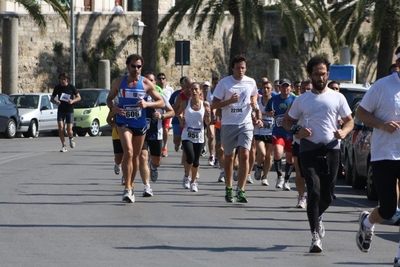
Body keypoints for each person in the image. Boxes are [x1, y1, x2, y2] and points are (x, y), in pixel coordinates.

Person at [282, 55, 354, 253]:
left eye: (323, 74)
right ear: (310, 75)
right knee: (313, 190)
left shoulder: (338, 97)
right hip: (309, 149)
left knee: (328, 195)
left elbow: (349, 121)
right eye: (316, 74)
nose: (320, 78)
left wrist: (344, 132)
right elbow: (286, 122)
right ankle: (315, 236)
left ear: (327, 74)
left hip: (331, 148)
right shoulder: (303, 99)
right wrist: (297, 129)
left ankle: (317, 216)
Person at [354, 47, 400, 266]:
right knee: (389, 209)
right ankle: (367, 221)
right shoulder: (382, 86)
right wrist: (382, 124)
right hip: (385, 155)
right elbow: (361, 114)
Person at [106, 54, 164, 203]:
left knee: (137, 156)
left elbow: (161, 102)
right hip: (123, 122)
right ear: (127, 66)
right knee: (129, 152)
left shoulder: (146, 83)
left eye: (139, 66)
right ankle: (127, 188)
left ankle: (131, 186)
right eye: (133, 66)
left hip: (140, 123)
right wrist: (114, 109)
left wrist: (147, 104)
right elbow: (109, 99)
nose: (136, 69)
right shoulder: (119, 82)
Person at [212, 54, 262, 203]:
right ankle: (228, 188)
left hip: (245, 123)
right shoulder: (224, 83)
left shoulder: (251, 82)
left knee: (245, 155)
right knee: (229, 157)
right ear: (233, 68)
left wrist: (253, 102)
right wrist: (229, 101)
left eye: (243, 68)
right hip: (228, 124)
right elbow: (214, 104)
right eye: (238, 67)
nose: (241, 70)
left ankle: (241, 190)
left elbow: (254, 95)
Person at [141, 72, 174, 185]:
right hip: (142, 131)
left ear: (155, 83)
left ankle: (154, 167)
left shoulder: (160, 96)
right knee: (143, 157)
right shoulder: (140, 94)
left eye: (152, 80)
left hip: (156, 132)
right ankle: (146, 186)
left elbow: (172, 112)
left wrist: (161, 116)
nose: (149, 82)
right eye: (147, 80)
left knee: (157, 161)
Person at [178, 82, 211, 192]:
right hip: (187, 134)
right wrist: (181, 120)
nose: (194, 91)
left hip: (199, 135)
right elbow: (178, 113)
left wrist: (207, 114)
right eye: (192, 89)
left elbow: (207, 122)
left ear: (200, 91)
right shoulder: (185, 103)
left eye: (196, 89)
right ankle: (187, 176)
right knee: (190, 157)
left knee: (196, 161)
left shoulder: (205, 104)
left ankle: (193, 182)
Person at [265, 78, 296, 191]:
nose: (285, 88)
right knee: (277, 152)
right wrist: (269, 113)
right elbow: (267, 111)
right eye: (283, 86)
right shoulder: (273, 99)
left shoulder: (295, 99)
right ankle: (279, 176)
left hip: (291, 134)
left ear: (290, 87)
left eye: (287, 86)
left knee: (290, 158)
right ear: (280, 88)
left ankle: (286, 180)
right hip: (278, 132)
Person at [293, 79, 313, 209]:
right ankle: (301, 196)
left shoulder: (319, 103)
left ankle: (313, 196)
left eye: (308, 89)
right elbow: (288, 122)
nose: (305, 91)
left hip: (315, 143)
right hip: (299, 142)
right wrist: (296, 132)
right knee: (300, 173)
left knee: (312, 174)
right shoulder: (296, 103)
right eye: (303, 89)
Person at [50, 72, 81, 153]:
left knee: (69, 129)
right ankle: (64, 145)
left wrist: (72, 101)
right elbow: (51, 99)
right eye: (61, 79)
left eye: (64, 79)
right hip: (61, 110)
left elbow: (79, 97)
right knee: (60, 128)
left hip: (69, 110)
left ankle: (71, 138)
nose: (62, 81)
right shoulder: (57, 88)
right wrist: (56, 102)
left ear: (67, 79)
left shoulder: (71, 87)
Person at [253, 81, 274, 186]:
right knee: (261, 153)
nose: (266, 90)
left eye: (268, 88)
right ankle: (259, 166)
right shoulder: (258, 101)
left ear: (272, 90)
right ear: (261, 89)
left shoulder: (275, 101)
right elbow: (254, 112)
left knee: (269, 156)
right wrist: (258, 118)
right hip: (259, 130)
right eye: (264, 88)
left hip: (271, 131)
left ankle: (265, 177)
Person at [157, 73, 174, 157]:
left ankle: (165, 146)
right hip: (158, 112)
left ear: (165, 79)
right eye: (159, 78)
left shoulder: (170, 90)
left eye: (163, 78)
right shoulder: (155, 89)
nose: (161, 80)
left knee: (165, 129)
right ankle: (157, 146)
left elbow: (173, 100)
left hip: (166, 112)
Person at [106, 107, 124, 185]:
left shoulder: (133, 106)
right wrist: (114, 125)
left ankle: (125, 177)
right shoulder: (116, 107)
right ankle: (117, 164)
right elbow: (108, 120)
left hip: (130, 134)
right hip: (117, 135)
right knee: (118, 158)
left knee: (127, 156)